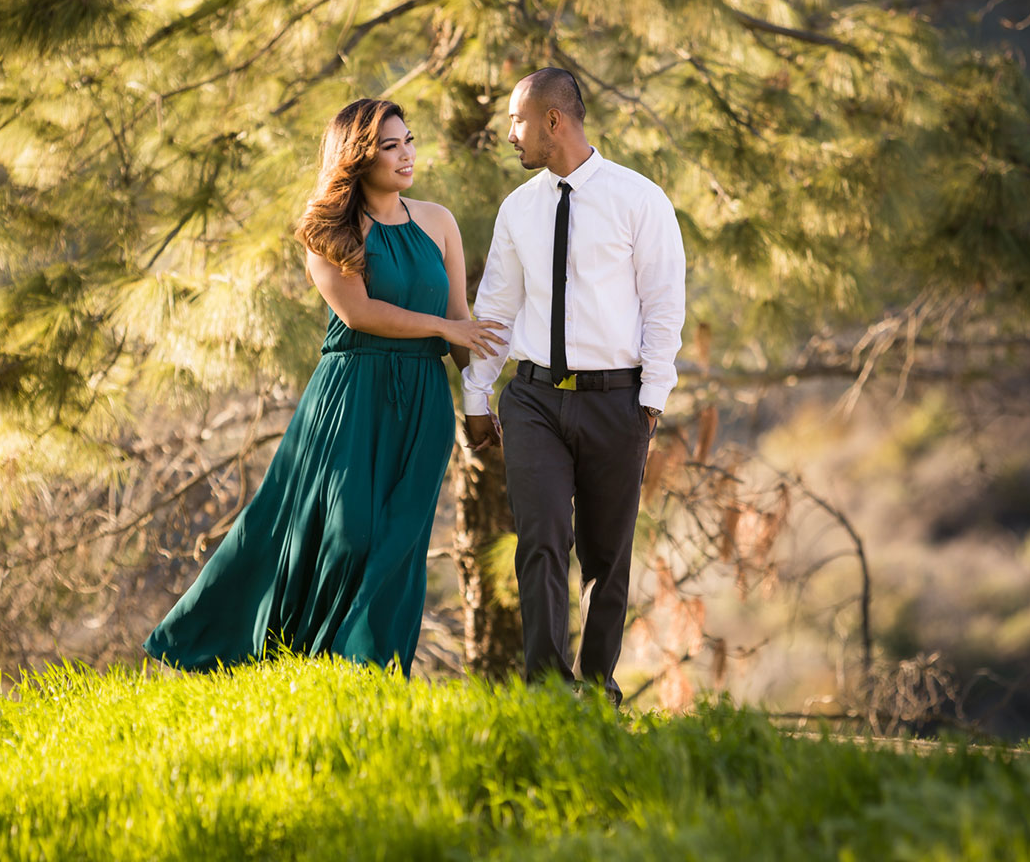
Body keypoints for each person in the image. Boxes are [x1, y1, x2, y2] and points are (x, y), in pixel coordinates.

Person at [146, 98, 507, 676]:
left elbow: (461, 316)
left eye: (408, 140)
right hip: (351, 396)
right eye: (390, 146)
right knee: (350, 532)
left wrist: (479, 402)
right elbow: (361, 312)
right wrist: (444, 326)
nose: (406, 154)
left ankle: (369, 672)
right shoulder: (328, 230)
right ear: (358, 157)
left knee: (400, 542)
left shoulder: (438, 221)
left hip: (423, 402)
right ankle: (260, 650)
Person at [462, 68, 685, 706]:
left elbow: (664, 305)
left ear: (553, 121)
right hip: (532, 400)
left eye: (517, 120)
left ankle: (597, 686)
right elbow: (497, 312)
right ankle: (547, 688)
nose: (510, 134)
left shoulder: (640, 200)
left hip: (617, 399)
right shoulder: (518, 209)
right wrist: (477, 396)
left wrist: (649, 400)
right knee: (541, 538)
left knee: (606, 555)